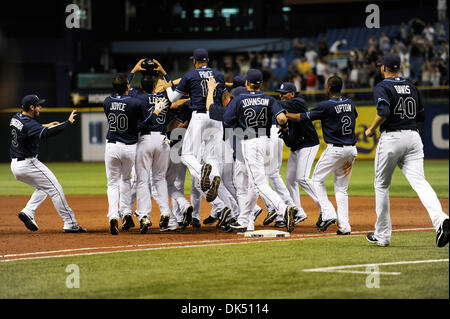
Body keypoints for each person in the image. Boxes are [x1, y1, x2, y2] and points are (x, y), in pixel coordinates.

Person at [365, 53, 449, 247]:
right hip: (413, 137)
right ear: (399, 68)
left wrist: (371, 128)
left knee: (381, 185)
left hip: (392, 138)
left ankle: (383, 235)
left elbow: (384, 112)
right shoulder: (411, 86)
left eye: (381, 66)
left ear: (385, 68)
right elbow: (421, 116)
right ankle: (441, 220)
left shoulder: (382, 86)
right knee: (420, 183)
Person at [223, 69, 298, 233]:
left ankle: (283, 208)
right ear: (261, 84)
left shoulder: (239, 100)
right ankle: (244, 220)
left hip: (249, 143)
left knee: (258, 183)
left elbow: (227, 121)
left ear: (246, 83)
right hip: (266, 142)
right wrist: (284, 127)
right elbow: (282, 118)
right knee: (253, 184)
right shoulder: (269, 99)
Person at [164, 48, 231, 223]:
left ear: (195, 61)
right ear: (208, 60)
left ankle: (203, 175)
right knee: (212, 157)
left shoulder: (189, 76)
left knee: (187, 154)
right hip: (216, 116)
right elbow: (223, 96)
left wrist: (170, 85)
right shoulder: (219, 75)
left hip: (199, 116)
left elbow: (172, 99)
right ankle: (213, 175)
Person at [10, 94, 86, 233]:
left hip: (15, 165)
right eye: (38, 105)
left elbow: (29, 130)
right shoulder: (29, 124)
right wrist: (67, 122)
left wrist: (45, 125)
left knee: (44, 188)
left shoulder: (16, 117)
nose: (40, 107)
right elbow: (47, 133)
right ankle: (70, 223)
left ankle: (28, 211)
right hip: (28, 163)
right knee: (55, 189)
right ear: (31, 107)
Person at [293, 75, 358, 235]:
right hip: (351, 150)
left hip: (335, 149)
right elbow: (353, 116)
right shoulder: (349, 103)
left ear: (328, 87)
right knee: (342, 189)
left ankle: (328, 213)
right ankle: (345, 226)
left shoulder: (325, 105)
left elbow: (303, 117)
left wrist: (284, 114)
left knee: (315, 181)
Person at [103, 73, 154, 235]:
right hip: (130, 147)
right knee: (127, 180)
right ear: (127, 86)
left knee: (112, 184)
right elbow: (144, 123)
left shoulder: (107, 101)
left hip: (112, 146)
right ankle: (127, 212)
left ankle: (114, 216)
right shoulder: (135, 103)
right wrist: (156, 112)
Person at [278, 83, 322, 227]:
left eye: (284, 93)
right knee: (290, 179)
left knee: (302, 177)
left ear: (292, 93)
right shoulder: (286, 107)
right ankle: (299, 212)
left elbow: (281, 106)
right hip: (297, 146)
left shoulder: (298, 101)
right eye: (280, 93)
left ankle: (325, 207)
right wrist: (285, 133)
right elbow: (290, 142)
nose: (281, 96)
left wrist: (268, 102)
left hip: (309, 144)